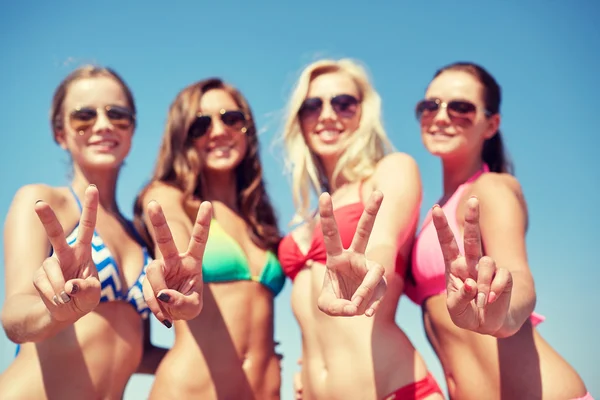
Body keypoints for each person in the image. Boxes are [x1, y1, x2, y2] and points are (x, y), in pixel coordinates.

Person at [405, 61, 592, 399]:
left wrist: (503, 317)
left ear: (491, 124)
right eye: (430, 105)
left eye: (461, 108)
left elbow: (518, 273)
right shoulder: (438, 210)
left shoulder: (491, 189)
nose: (441, 116)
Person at [277, 58, 445, 400]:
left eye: (343, 103)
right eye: (313, 105)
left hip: (394, 390)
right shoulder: (312, 214)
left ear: (362, 113)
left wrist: (370, 264)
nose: (327, 115)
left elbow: (382, 241)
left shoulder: (390, 171)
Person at [0, 65, 166, 399]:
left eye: (117, 114)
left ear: (132, 130)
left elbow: (136, 350)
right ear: (60, 133)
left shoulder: (140, 235)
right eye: (84, 116)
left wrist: (233, 357)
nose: (103, 126)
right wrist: (54, 313)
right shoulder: (44, 203)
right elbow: (13, 315)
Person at [134, 77, 285, 399]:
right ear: (182, 138)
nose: (218, 132)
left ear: (247, 129)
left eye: (231, 119)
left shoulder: (258, 221)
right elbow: (168, 231)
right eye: (200, 124)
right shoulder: (169, 197)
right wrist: (169, 269)